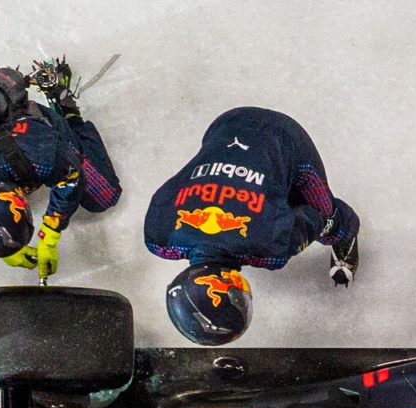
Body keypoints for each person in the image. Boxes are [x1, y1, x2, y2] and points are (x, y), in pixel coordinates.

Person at [144, 107, 359, 342]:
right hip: (225, 126)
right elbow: (164, 194)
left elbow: (313, 218)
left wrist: (307, 226)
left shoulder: (272, 250)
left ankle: (345, 235)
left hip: (284, 136)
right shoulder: (158, 237)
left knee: (327, 216)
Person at [0, 59, 124, 280]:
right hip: (11, 150)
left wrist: (50, 233)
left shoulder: (41, 152)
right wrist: (5, 249)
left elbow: (71, 180)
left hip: (34, 130)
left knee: (103, 197)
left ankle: (65, 105)